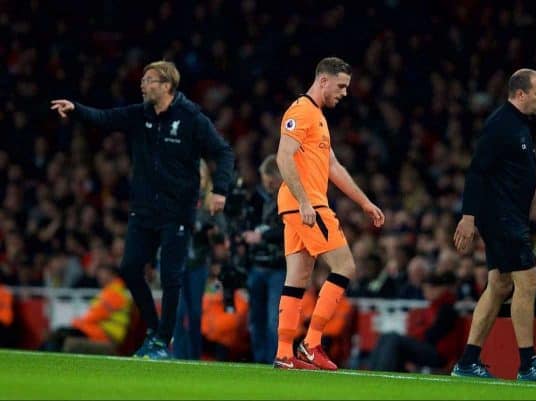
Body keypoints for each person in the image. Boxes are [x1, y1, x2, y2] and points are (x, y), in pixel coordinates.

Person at [50, 60, 235, 359]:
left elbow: (223, 152)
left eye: (149, 80)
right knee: (129, 269)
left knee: (171, 276)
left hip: (177, 210)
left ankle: (163, 339)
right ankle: (155, 330)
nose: (142, 84)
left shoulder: (191, 118)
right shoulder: (140, 114)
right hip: (144, 209)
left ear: (166, 86)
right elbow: (105, 117)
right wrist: (76, 109)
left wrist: (220, 189)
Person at [452, 69, 536, 382]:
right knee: (528, 284)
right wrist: (468, 216)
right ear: (520, 94)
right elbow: (477, 171)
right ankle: (529, 364)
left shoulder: (517, 126)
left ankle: (467, 362)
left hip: (508, 217)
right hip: (502, 218)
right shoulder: (501, 125)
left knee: (500, 286)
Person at [273, 56, 385, 370]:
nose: (344, 92)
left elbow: (334, 167)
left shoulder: (318, 117)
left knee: (297, 277)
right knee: (345, 266)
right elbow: (283, 157)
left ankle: (284, 352)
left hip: (299, 205)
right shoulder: (301, 111)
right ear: (323, 81)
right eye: (341, 86)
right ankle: (311, 344)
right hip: (306, 205)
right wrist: (306, 202)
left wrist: (364, 202)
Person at [172, 159, 226, 360]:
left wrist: (211, 232)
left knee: (195, 313)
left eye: (201, 175)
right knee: (178, 312)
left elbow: (222, 234)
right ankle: (178, 356)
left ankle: (194, 357)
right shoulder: (177, 198)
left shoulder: (211, 203)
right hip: (177, 263)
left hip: (198, 264)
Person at [368, 271, 463, 373]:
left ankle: (381, 373)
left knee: (394, 339)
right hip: (430, 348)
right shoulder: (435, 307)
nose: (425, 293)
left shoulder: (447, 309)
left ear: (438, 289)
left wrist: (415, 334)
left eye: (427, 289)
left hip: (439, 354)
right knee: (387, 336)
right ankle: (374, 372)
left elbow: (432, 335)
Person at [241, 154, 286, 364]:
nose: (267, 184)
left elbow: (289, 230)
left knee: (273, 321)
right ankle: (260, 363)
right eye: (264, 179)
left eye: (269, 179)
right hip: (256, 267)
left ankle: (274, 361)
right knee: (255, 320)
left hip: (278, 268)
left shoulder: (291, 197)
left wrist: (262, 235)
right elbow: (245, 224)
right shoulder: (256, 198)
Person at [40, 263, 132, 353]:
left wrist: (76, 323)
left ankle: (46, 361)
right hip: (99, 332)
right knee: (61, 333)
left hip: (106, 335)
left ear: (113, 275)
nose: (99, 278)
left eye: (103, 274)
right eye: (99, 275)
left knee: (61, 334)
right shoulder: (111, 292)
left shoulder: (115, 294)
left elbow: (94, 316)